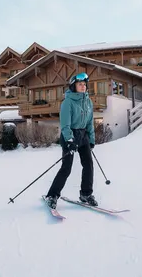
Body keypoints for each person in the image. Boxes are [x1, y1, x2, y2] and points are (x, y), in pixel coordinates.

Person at [45, 72, 97, 209]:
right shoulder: (67, 102)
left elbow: (90, 122)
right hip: (71, 136)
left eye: (84, 84)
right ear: (73, 86)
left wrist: (91, 139)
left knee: (88, 165)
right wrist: (69, 140)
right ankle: (52, 195)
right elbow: (65, 124)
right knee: (66, 168)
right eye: (80, 84)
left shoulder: (88, 101)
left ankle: (86, 194)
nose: (83, 86)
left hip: (83, 136)